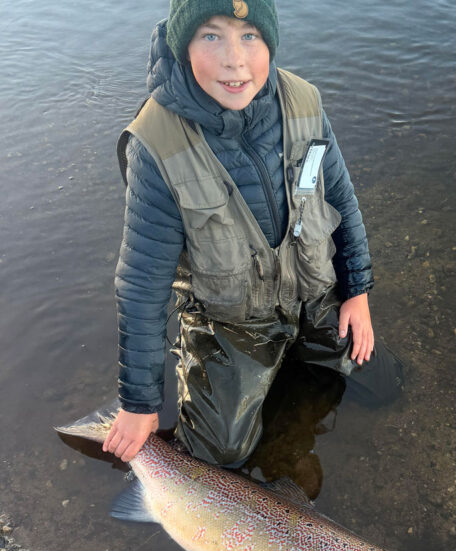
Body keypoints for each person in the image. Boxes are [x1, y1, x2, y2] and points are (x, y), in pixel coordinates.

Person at [103, 0, 402, 466]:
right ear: (183, 46)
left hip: (310, 297)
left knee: (388, 385)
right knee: (218, 455)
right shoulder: (156, 145)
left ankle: (294, 363)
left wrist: (356, 292)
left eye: (249, 36)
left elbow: (342, 199)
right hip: (231, 323)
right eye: (211, 36)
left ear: (270, 42)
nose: (235, 60)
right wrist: (139, 402)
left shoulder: (304, 102)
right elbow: (142, 283)